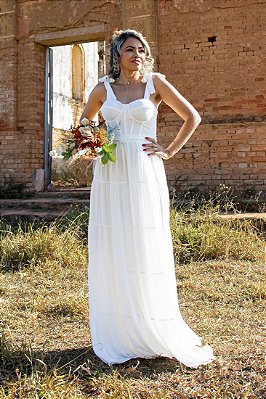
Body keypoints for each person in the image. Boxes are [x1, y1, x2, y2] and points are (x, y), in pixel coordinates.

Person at [80, 29, 215, 368]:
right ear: (117, 55)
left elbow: (192, 117)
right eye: (129, 50)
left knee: (143, 241)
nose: (136, 55)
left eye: (141, 50)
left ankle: (150, 323)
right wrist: (90, 147)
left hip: (143, 170)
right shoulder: (102, 89)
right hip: (110, 175)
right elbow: (84, 124)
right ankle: (120, 329)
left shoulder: (155, 84)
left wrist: (168, 150)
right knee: (115, 242)